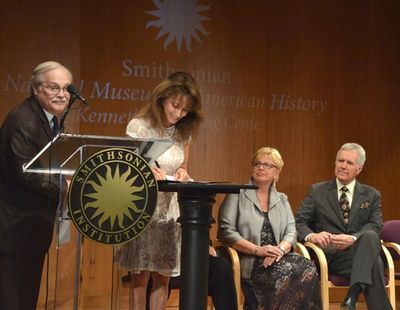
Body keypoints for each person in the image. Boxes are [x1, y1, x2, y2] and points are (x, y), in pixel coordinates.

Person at [114, 71, 203, 310]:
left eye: (185, 110)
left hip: (170, 210)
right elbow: (129, 167)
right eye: (175, 106)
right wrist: (146, 171)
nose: (178, 114)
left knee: (163, 276)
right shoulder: (139, 126)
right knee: (140, 275)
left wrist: (183, 172)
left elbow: (182, 166)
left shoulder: (184, 131)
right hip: (143, 207)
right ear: (162, 98)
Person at [0, 61, 72, 309]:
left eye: (66, 88)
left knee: (25, 298)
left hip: (31, 227)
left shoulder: (48, 119)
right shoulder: (25, 121)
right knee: (13, 300)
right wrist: (65, 187)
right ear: (36, 89)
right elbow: (25, 173)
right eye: (54, 87)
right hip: (14, 229)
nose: (62, 94)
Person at [218, 147, 322, 310]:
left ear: (277, 172)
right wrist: (258, 250)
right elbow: (226, 232)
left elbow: (291, 231)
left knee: (308, 266)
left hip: (278, 256)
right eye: (257, 163)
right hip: (252, 259)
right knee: (288, 273)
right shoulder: (237, 194)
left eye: (267, 165)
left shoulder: (282, 199)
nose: (260, 167)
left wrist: (279, 250)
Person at [295, 142, 392, 310]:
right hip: (333, 257)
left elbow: (376, 225)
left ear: (359, 169)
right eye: (340, 161)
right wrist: (313, 236)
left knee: (369, 236)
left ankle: (351, 296)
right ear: (335, 163)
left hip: (361, 252)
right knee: (374, 263)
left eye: (349, 163)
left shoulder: (372, 195)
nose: (343, 166)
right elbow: (298, 222)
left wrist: (353, 239)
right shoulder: (317, 191)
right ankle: (352, 298)